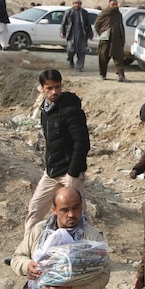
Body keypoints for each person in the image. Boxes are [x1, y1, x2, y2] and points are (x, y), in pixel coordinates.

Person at [25, 69, 90, 235]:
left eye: (57, 87)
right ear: (42, 88)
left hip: (70, 173)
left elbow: (82, 143)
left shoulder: (71, 110)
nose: (54, 92)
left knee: (76, 216)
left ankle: (84, 252)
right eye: (49, 88)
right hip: (52, 171)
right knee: (35, 208)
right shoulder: (45, 111)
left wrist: (73, 173)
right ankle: (28, 251)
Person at [94, 0, 128, 82]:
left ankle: (121, 75)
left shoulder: (118, 14)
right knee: (103, 58)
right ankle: (103, 74)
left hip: (117, 40)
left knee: (119, 58)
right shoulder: (104, 13)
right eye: (113, 4)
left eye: (116, 4)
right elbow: (97, 25)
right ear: (109, 4)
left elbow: (121, 26)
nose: (115, 6)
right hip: (106, 40)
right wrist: (102, 33)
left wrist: (122, 38)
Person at [61, 0, 94, 72]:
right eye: (76, 3)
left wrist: (90, 33)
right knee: (71, 50)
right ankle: (70, 60)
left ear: (81, 4)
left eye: (79, 4)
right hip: (71, 34)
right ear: (73, 4)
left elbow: (88, 24)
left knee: (82, 51)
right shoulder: (68, 12)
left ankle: (80, 66)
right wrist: (62, 32)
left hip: (82, 35)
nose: (77, 5)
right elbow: (64, 23)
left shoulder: (84, 12)